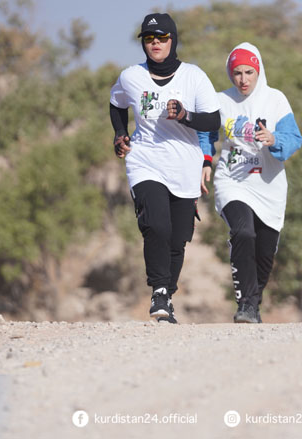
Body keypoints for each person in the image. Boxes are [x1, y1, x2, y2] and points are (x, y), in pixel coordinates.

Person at [109, 13, 220, 324]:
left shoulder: (193, 77)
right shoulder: (131, 76)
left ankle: (167, 293)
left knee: (178, 236)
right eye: (148, 38)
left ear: (173, 39)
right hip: (145, 160)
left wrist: (185, 116)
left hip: (184, 165)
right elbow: (116, 103)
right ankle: (158, 290)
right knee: (156, 225)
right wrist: (120, 134)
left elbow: (213, 121)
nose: (155, 43)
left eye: (161, 37)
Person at [200, 42, 302, 323]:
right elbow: (204, 132)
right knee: (243, 233)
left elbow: (294, 139)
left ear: (259, 71)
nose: (243, 79)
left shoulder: (276, 100)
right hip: (233, 181)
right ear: (230, 74)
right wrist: (205, 160)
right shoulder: (221, 100)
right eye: (237, 73)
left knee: (265, 253)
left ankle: (253, 305)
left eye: (248, 72)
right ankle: (245, 304)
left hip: (269, 187)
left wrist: (274, 139)